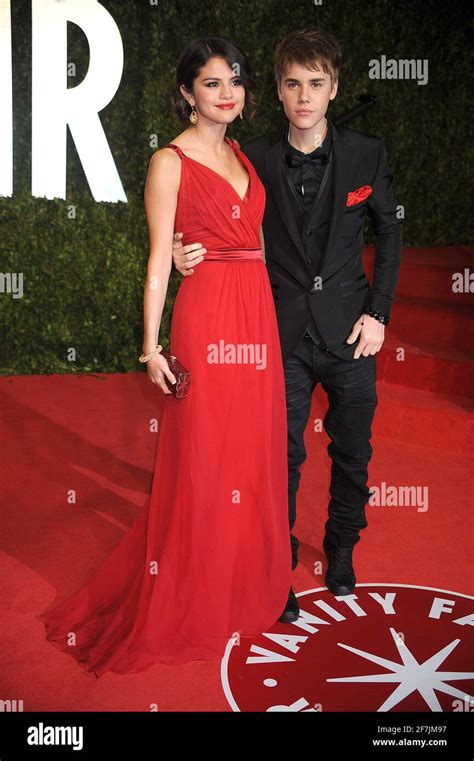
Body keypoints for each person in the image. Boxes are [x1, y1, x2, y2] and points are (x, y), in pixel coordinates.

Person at [37, 37, 292, 677]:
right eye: (211, 83)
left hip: (255, 319)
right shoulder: (168, 162)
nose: (227, 92)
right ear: (186, 93)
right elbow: (159, 257)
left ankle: (244, 583)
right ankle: (197, 591)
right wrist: (151, 347)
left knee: (250, 450)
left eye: (233, 80)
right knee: (206, 455)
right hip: (207, 319)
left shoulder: (241, 155)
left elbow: (256, 244)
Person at [172, 28, 403, 622]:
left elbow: (391, 232)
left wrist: (378, 312)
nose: (304, 96)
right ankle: (275, 572)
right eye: (293, 84)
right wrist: (183, 250)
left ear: (334, 89)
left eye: (316, 84)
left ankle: (342, 546)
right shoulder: (253, 157)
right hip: (280, 336)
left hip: (353, 334)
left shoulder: (366, 154)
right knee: (281, 462)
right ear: (277, 90)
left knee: (353, 452)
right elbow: (218, 221)